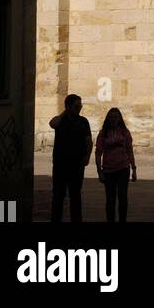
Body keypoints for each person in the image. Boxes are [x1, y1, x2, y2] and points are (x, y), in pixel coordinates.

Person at [49, 94, 92, 223]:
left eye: (80, 106)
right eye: (77, 106)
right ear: (68, 107)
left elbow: (89, 141)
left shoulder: (83, 121)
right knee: (58, 196)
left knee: (75, 196)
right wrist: (64, 113)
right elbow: (52, 123)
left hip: (77, 164)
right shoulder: (60, 121)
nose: (79, 108)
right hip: (60, 164)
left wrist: (87, 156)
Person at [95, 107, 137, 222]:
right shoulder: (103, 134)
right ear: (108, 119)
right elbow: (98, 152)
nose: (114, 119)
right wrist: (99, 171)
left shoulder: (125, 132)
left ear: (119, 119)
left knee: (123, 197)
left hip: (123, 168)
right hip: (108, 170)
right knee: (110, 199)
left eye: (116, 117)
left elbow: (130, 150)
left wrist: (134, 169)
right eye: (111, 117)